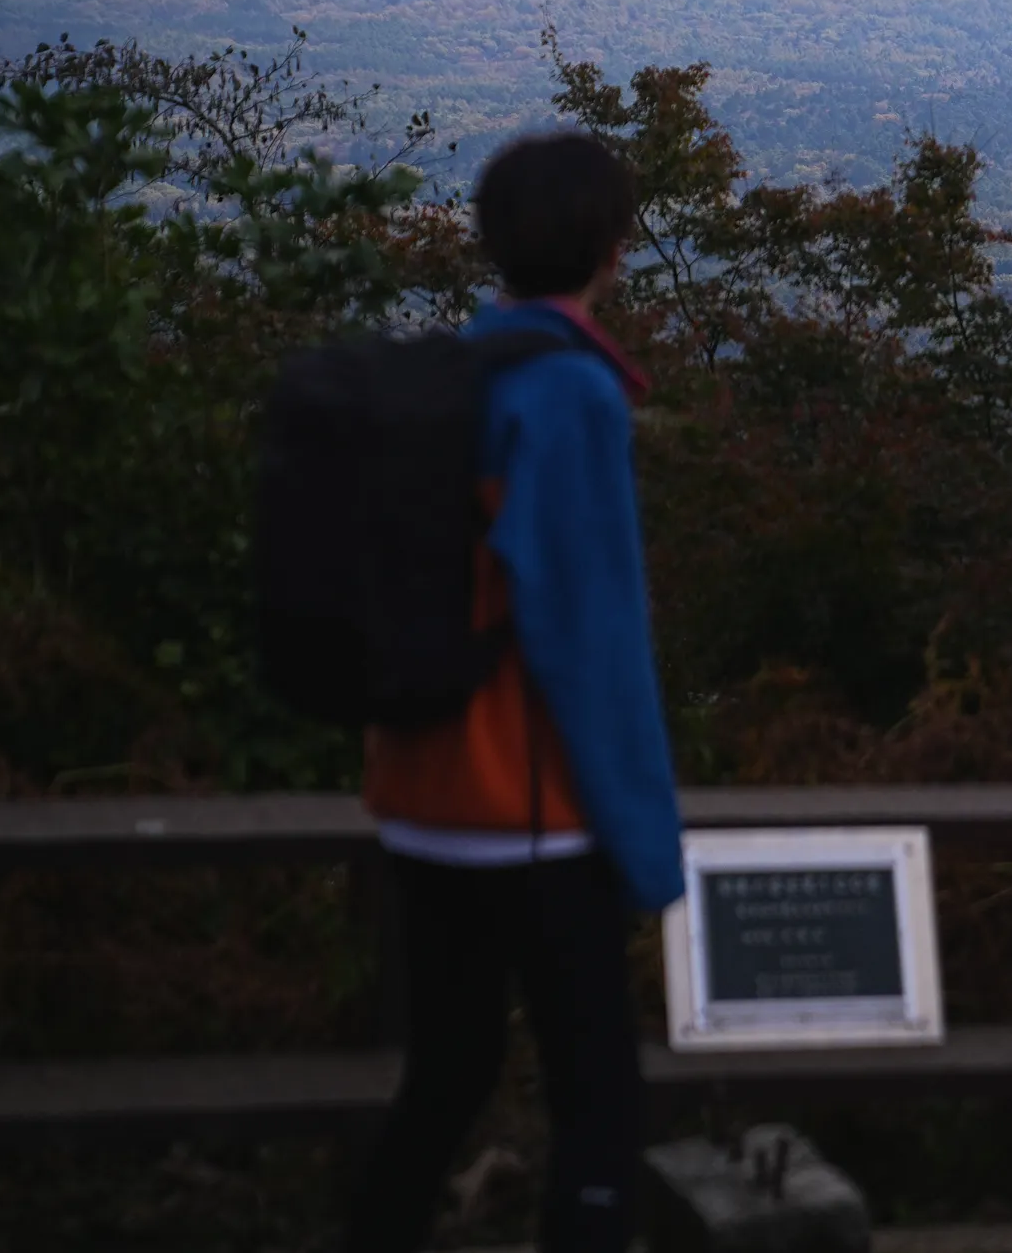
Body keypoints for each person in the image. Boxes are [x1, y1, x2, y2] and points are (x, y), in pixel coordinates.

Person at [346, 130, 683, 1253]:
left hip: (419, 799)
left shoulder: (448, 370)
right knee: (599, 1094)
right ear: (612, 249)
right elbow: (589, 641)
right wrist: (643, 841)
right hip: (532, 815)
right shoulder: (570, 394)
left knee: (448, 1074)